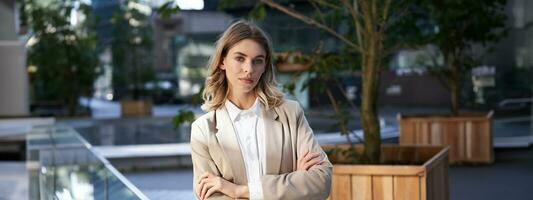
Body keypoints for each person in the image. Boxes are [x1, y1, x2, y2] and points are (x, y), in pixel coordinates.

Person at [190, 20, 332, 200]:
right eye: (240, 58)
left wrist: (237, 191)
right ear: (222, 61)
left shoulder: (290, 113)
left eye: (258, 61)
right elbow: (211, 197)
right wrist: (293, 183)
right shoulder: (203, 130)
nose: (249, 69)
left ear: (265, 66)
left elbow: (321, 181)